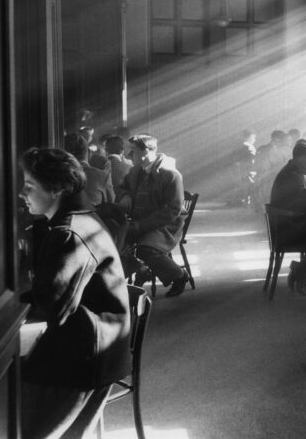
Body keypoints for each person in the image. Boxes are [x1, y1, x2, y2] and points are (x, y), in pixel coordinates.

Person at [18, 147, 130, 438]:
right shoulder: (82, 219)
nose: (22, 193)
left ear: (57, 189)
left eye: (29, 186)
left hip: (82, 359)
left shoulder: (68, 232)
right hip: (101, 349)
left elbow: (53, 308)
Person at [116, 134, 190, 297]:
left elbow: (173, 209)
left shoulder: (171, 174)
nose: (128, 156)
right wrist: (125, 196)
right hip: (139, 221)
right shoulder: (135, 171)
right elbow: (121, 187)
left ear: (147, 151)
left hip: (166, 225)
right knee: (116, 242)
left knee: (146, 249)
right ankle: (141, 269)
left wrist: (141, 226)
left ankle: (179, 275)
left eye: (132, 151)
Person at [270, 139, 306, 293]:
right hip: (289, 233)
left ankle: (304, 270)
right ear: (301, 158)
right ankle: (302, 271)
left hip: (287, 228)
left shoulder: (292, 173)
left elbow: (302, 202)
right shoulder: (291, 177)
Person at [64, 132, 115, 206]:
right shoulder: (102, 176)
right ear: (87, 152)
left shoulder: (57, 176)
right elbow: (111, 201)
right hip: (93, 216)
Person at [228, 129, 256, 207]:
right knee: (248, 185)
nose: (254, 140)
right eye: (253, 138)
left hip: (240, 169)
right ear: (249, 137)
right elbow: (252, 158)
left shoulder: (238, 145)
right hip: (247, 169)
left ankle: (237, 201)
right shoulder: (248, 146)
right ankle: (246, 202)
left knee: (240, 185)